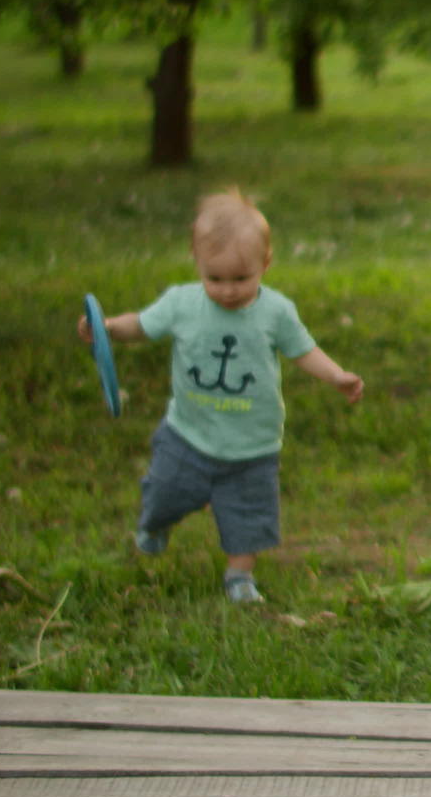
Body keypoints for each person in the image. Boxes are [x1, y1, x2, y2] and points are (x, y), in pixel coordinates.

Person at [78, 189, 364, 604]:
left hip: (252, 445)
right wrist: (105, 329)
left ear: (265, 264)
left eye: (241, 279)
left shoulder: (276, 312)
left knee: (248, 513)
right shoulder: (181, 304)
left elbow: (304, 350)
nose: (228, 291)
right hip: (188, 434)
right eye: (215, 279)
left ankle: (239, 575)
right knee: (163, 492)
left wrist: (336, 375)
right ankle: (155, 524)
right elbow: (140, 326)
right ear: (196, 261)